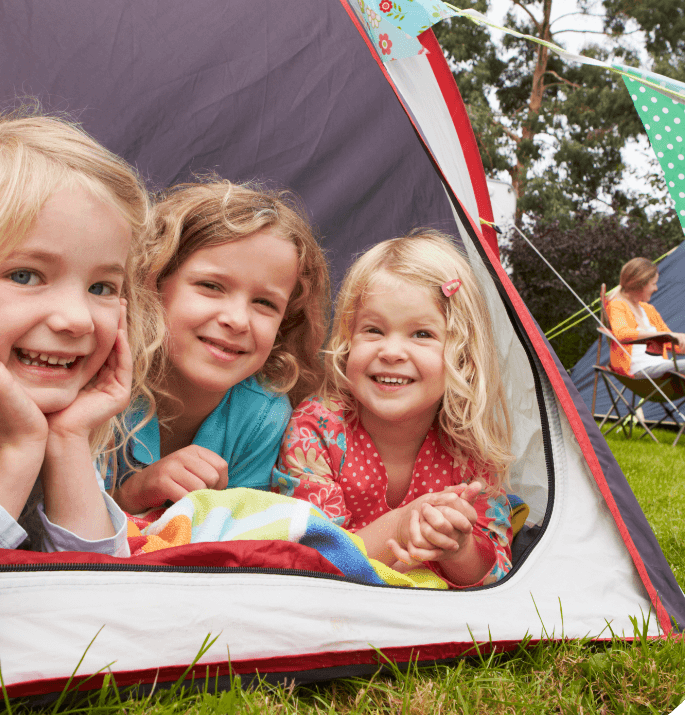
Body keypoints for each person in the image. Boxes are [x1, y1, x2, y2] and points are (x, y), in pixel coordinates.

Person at [0, 110, 156, 553]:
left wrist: (70, 442)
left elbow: (97, 607)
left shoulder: (62, 432)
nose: (76, 318)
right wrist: (13, 452)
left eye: (101, 287)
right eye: (25, 275)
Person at [272, 230, 514, 588]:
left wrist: (458, 548)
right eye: (373, 330)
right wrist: (402, 525)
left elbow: (495, 575)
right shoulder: (317, 429)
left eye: (421, 334)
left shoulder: (470, 448)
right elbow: (311, 558)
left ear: (462, 356)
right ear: (346, 341)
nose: (392, 351)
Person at [110, 179, 331, 513]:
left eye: (265, 304)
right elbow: (55, 525)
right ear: (152, 282)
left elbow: (241, 539)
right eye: (211, 286)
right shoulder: (103, 379)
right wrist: (131, 495)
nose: (238, 320)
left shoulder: (263, 414)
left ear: (286, 323)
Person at [607, 257, 685, 448]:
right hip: (641, 373)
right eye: (653, 284)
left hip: (660, 369)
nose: (655, 288)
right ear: (640, 283)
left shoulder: (648, 309)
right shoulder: (617, 305)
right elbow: (622, 334)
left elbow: (680, 347)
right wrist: (666, 334)